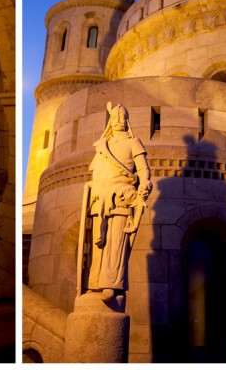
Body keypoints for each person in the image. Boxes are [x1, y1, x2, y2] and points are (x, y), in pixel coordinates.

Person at [83, 102, 152, 302]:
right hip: (100, 197)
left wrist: (145, 182)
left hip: (123, 196)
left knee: (116, 243)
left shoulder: (134, 142)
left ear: (127, 121)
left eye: (122, 117)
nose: (119, 121)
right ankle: (95, 282)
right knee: (99, 244)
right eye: (115, 118)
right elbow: (97, 171)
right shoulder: (102, 146)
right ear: (110, 121)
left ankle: (112, 284)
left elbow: (143, 169)